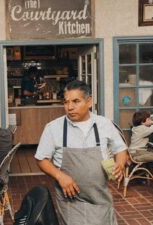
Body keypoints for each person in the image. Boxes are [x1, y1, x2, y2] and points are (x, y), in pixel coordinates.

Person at [34, 80, 128, 225]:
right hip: (70, 200)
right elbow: (41, 159)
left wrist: (120, 164)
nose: (70, 107)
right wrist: (60, 176)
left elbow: (120, 149)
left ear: (89, 102)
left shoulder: (104, 124)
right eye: (66, 102)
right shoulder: (53, 128)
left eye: (76, 101)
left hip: (100, 198)